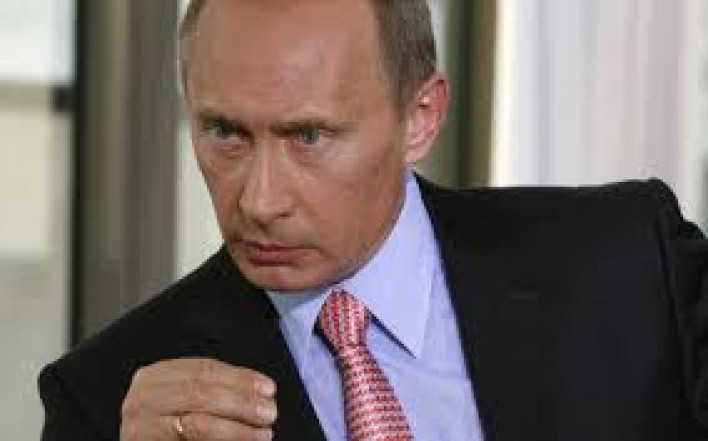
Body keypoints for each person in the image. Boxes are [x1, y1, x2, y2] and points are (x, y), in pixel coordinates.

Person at [39, 0, 708, 440]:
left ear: (421, 117)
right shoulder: (106, 400)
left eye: (308, 136)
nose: (259, 201)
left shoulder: (631, 268)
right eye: (225, 132)